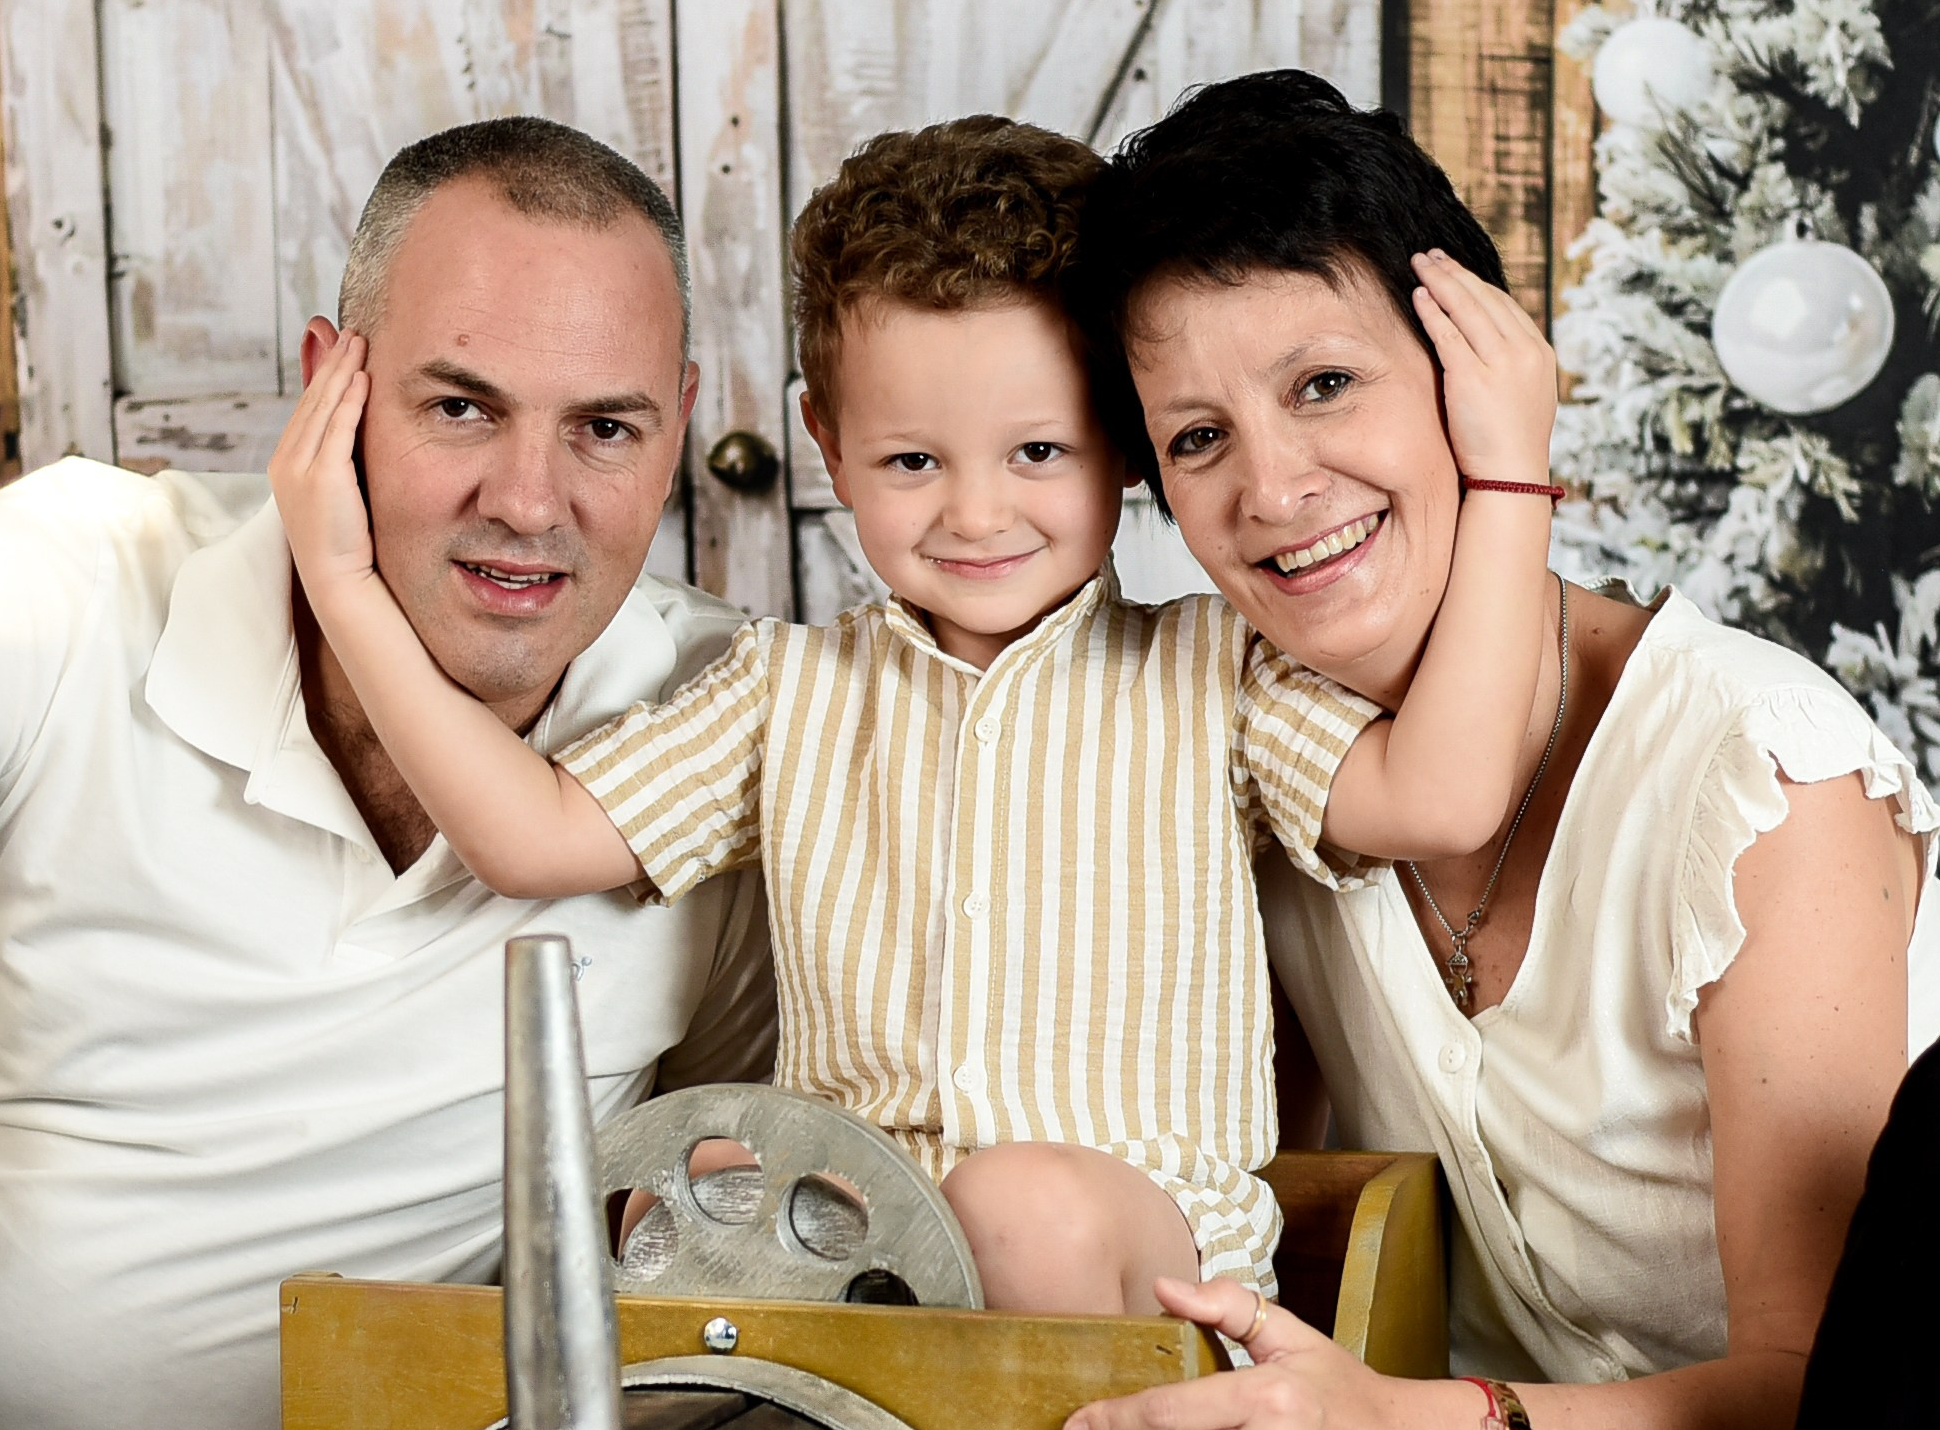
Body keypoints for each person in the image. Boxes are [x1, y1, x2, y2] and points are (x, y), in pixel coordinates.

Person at [0, 118, 775, 1430]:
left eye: (603, 428)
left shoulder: (723, 738)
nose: (530, 502)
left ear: (676, 424)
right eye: (461, 409)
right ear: (332, 387)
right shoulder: (70, 573)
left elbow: (774, 1183)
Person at [1040, 69, 1940, 1430]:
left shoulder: (1756, 770)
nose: (1275, 486)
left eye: (1323, 384)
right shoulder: (1247, 763)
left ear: (1470, 368)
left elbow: (1831, 1413)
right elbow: (1241, 1196)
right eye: (1198, 437)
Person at [271, 115, 1561, 1316]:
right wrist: (339, 575)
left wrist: (1507, 479)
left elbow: (1442, 795)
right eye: (911, 462)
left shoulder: (1208, 674)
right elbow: (529, 836)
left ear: (1121, 441)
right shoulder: (785, 693)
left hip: (1146, 1279)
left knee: (1021, 1208)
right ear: (829, 449)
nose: (978, 515)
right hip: (877, 1265)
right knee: (692, 1176)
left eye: (1038, 454)